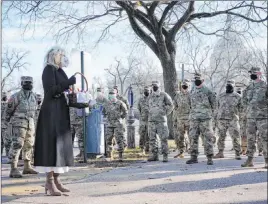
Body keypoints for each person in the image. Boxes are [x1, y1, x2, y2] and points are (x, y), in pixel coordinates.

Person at [34, 46, 76, 196]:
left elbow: (62, 90)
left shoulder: (59, 71)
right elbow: (51, 91)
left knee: (61, 146)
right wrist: (67, 83)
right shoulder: (48, 70)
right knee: (52, 146)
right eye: (61, 54)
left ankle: (57, 180)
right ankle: (49, 181)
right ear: (54, 55)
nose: (63, 56)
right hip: (51, 111)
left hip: (60, 110)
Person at [5, 76, 38, 178]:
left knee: (29, 144)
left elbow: (35, 110)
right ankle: (13, 168)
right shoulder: (15, 96)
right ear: (22, 84)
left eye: (30, 82)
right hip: (18, 124)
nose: (29, 84)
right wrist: (8, 124)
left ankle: (27, 167)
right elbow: (8, 111)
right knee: (17, 144)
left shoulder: (34, 96)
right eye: (26, 82)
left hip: (30, 123)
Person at [186, 73, 216, 165]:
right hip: (194, 119)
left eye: (198, 79)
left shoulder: (208, 91)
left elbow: (214, 105)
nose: (196, 81)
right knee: (193, 137)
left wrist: (210, 115)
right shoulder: (192, 91)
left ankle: (209, 157)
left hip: (205, 119)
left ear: (203, 80)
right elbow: (189, 104)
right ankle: (193, 157)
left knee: (207, 138)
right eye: (195, 79)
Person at [241, 67, 268, 168]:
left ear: (260, 73)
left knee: (265, 138)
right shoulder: (248, 87)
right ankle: (249, 160)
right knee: (250, 139)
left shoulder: (265, 86)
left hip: (263, 117)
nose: (252, 74)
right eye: (251, 73)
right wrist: (248, 109)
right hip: (251, 117)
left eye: (254, 73)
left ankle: (267, 161)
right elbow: (243, 101)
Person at [213, 80, 242, 160]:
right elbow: (216, 108)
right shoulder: (220, 96)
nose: (228, 87)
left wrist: (242, 120)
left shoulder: (238, 97)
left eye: (230, 85)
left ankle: (237, 153)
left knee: (235, 137)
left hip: (233, 120)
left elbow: (242, 109)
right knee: (221, 137)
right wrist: (215, 119)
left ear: (233, 86)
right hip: (222, 120)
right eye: (227, 85)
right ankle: (220, 152)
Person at [147, 81, 174, 162]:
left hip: (161, 121)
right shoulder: (150, 96)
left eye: (156, 86)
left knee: (163, 138)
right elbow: (147, 106)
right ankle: (154, 155)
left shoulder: (164, 95)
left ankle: (165, 155)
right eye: (153, 86)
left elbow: (171, 105)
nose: (154, 87)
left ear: (159, 86)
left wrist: (164, 112)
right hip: (151, 121)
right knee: (152, 139)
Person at [103, 88, 127, 162]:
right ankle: (110, 155)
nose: (111, 95)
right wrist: (106, 118)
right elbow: (104, 112)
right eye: (110, 94)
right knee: (108, 139)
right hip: (109, 124)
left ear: (115, 95)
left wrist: (120, 118)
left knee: (119, 139)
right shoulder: (106, 104)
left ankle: (120, 155)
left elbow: (125, 112)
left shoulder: (120, 103)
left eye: (113, 94)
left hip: (118, 124)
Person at [173, 81, 191, 158]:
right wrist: (176, 117)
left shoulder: (191, 95)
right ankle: (181, 151)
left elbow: (193, 106)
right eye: (183, 86)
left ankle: (192, 151)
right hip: (180, 119)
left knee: (192, 136)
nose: (184, 88)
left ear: (188, 87)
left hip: (189, 118)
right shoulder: (178, 96)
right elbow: (175, 106)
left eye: (186, 86)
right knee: (180, 136)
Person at [138, 86, 150, 155]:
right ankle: (141, 148)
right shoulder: (140, 99)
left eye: (147, 90)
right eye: (145, 91)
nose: (146, 92)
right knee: (142, 134)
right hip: (143, 120)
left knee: (149, 135)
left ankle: (148, 149)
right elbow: (139, 108)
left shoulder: (151, 99)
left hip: (150, 120)